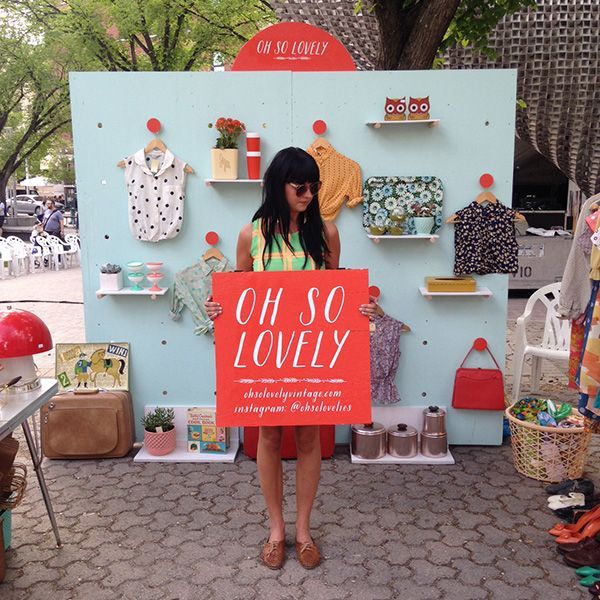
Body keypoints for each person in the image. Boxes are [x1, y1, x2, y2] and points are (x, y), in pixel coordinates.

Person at [204, 147, 377, 570]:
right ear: (278, 186)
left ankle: (303, 530)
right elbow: (241, 294)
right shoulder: (252, 235)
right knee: (267, 436)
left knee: (307, 439)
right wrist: (218, 308)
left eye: (314, 186)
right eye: (300, 186)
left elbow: (337, 296)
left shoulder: (327, 233)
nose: (309, 193)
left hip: (313, 358)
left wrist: (365, 309)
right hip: (269, 359)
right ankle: (276, 529)